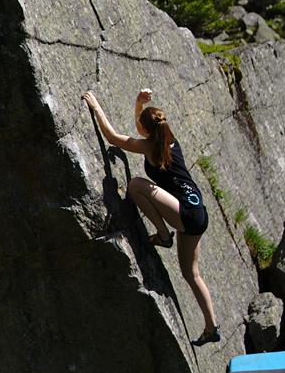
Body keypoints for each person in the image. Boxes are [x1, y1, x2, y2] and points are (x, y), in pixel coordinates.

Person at [81, 88, 220, 346]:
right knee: (191, 274)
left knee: (135, 185)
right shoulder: (168, 139)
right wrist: (139, 103)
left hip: (186, 214)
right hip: (198, 213)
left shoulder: (149, 147)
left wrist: (96, 106)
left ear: (148, 131)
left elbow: (113, 138)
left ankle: (164, 235)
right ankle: (212, 328)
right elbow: (140, 128)